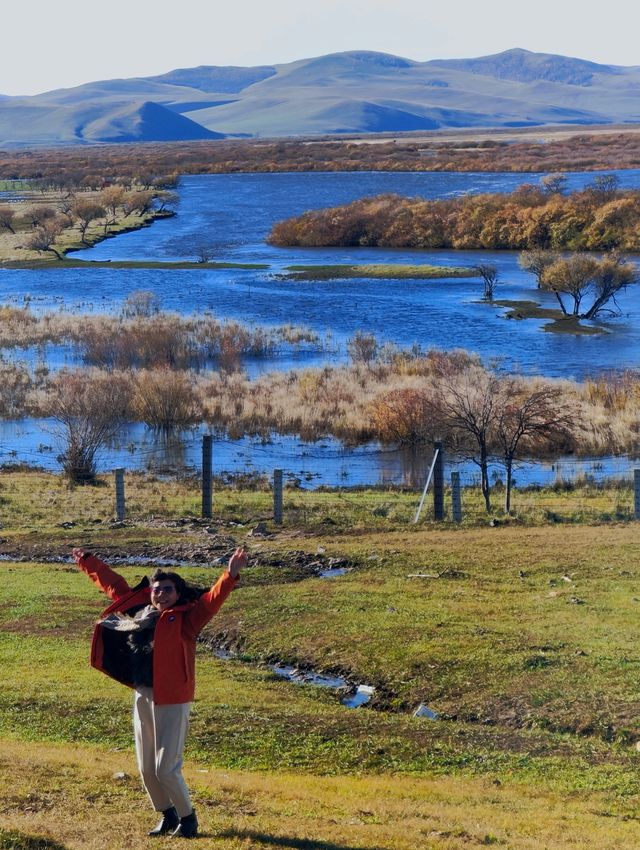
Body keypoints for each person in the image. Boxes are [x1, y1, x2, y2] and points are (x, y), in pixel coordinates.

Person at [72, 545, 247, 839]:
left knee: (166, 768)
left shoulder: (187, 620)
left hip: (173, 699)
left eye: (167, 590)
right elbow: (115, 586)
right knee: (146, 767)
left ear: (178, 593)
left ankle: (188, 819)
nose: (161, 594)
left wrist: (230, 575)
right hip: (143, 693)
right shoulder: (141, 613)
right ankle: (168, 815)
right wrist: (88, 562)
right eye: (157, 590)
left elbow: (210, 602)